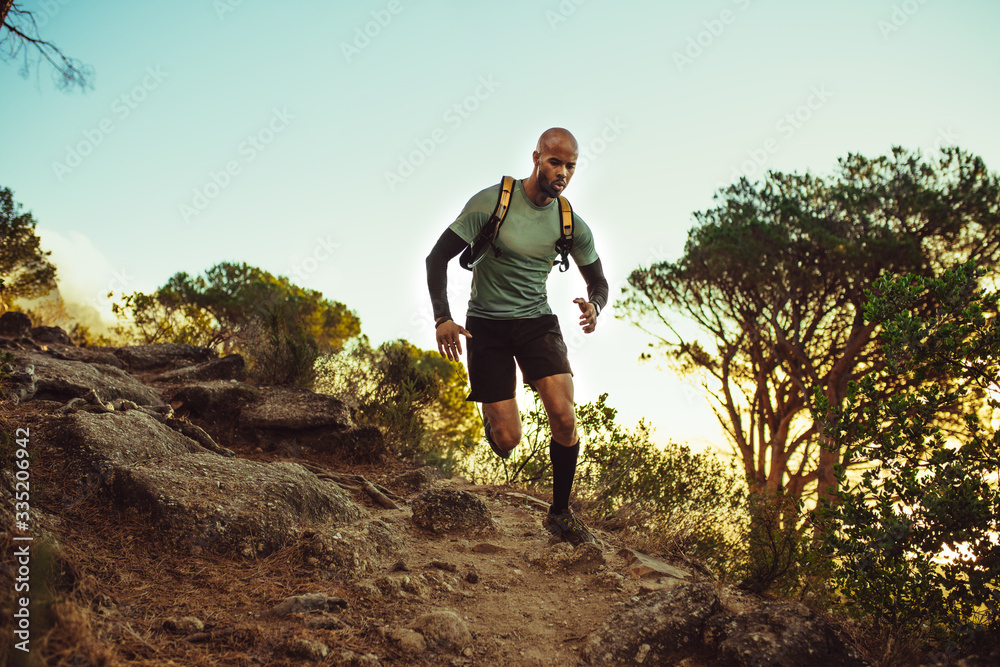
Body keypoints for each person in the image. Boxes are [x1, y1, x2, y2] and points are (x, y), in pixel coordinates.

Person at [425, 127, 609, 546]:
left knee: (564, 416)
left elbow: (599, 281)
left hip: (536, 323)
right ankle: (496, 423)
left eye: (570, 166)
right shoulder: (492, 203)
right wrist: (442, 318)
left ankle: (560, 514)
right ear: (536, 158)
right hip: (485, 324)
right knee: (509, 440)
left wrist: (595, 306)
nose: (562, 172)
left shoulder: (569, 223)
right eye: (555, 162)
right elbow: (436, 258)